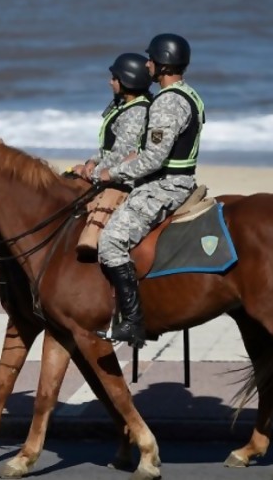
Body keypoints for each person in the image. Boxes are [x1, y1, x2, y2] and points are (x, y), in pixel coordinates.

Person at [94, 33, 205, 348]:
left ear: (163, 64)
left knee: (112, 243)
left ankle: (132, 321)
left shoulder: (168, 101)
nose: (147, 65)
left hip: (166, 186)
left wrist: (109, 173)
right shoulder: (189, 94)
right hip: (173, 179)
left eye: (152, 60)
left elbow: (154, 159)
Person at [72, 52, 152, 182]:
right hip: (108, 171)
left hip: (123, 180)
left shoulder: (137, 112)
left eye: (115, 78)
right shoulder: (127, 106)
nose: (110, 82)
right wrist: (92, 161)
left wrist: (88, 173)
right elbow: (109, 149)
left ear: (128, 80)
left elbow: (120, 156)